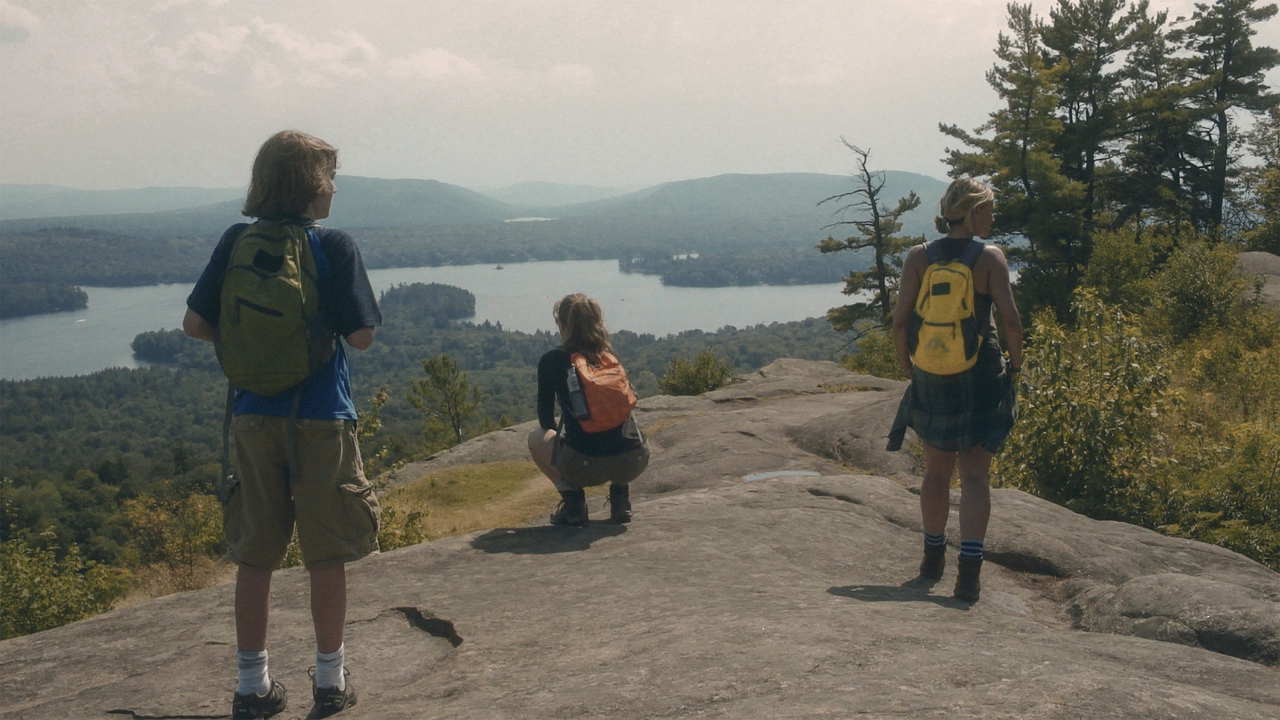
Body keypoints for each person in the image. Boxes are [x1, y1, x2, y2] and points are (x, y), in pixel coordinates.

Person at [183, 130, 382, 719]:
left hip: (252, 418)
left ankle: (252, 687)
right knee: (326, 554)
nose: (336, 188)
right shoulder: (333, 246)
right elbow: (363, 337)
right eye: (330, 177)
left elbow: (196, 325)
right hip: (322, 418)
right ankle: (329, 680)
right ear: (310, 185)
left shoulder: (236, 240)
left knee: (256, 556)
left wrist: (256, 345)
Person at [887, 177, 1022, 603]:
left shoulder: (919, 257)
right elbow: (1011, 320)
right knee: (975, 475)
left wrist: (909, 365)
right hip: (980, 372)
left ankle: (931, 559)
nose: (993, 217)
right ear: (972, 213)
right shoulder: (989, 257)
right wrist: (1015, 367)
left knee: (936, 473)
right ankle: (968, 574)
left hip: (932, 372)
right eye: (989, 210)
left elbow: (899, 322)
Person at [528, 293, 650, 525]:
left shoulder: (552, 361)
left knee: (535, 437)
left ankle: (573, 503)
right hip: (632, 460)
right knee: (618, 428)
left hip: (581, 466)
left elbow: (546, 421)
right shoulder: (610, 357)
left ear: (563, 325)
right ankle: (620, 500)